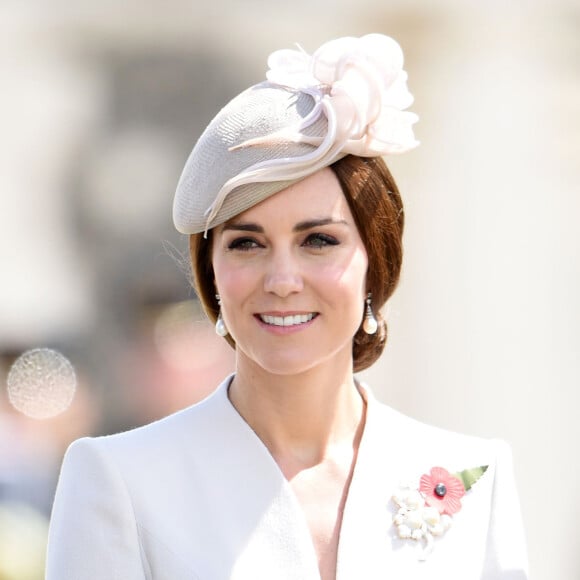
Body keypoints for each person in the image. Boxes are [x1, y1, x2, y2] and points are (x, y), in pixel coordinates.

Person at [46, 34, 529, 579]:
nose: (281, 280)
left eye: (319, 240)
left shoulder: (469, 478)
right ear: (212, 273)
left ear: (377, 258)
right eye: (247, 243)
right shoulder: (120, 480)